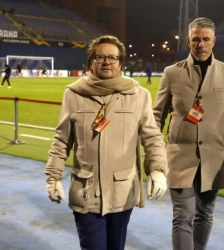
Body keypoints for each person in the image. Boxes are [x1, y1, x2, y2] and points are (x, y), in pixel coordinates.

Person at [45, 35, 168, 250]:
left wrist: (157, 169)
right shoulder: (73, 93)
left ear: (121, 63)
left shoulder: (139, 95)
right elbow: (62, 139)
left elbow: (152, 137)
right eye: (100, 56)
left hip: (122, 191)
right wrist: (53, 175)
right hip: (85, 191)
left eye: (112, 57)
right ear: (91, 61)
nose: (106, 62)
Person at [152, 17, 224, 250]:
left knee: (205, 213)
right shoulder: (171, 73)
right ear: (188, 41)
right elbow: (157, 116)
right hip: (178, 156)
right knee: (182, 216)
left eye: (205, 39)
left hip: (215, 157)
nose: (201, 44)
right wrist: (154, 154)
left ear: (213, 41)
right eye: (196, 39)